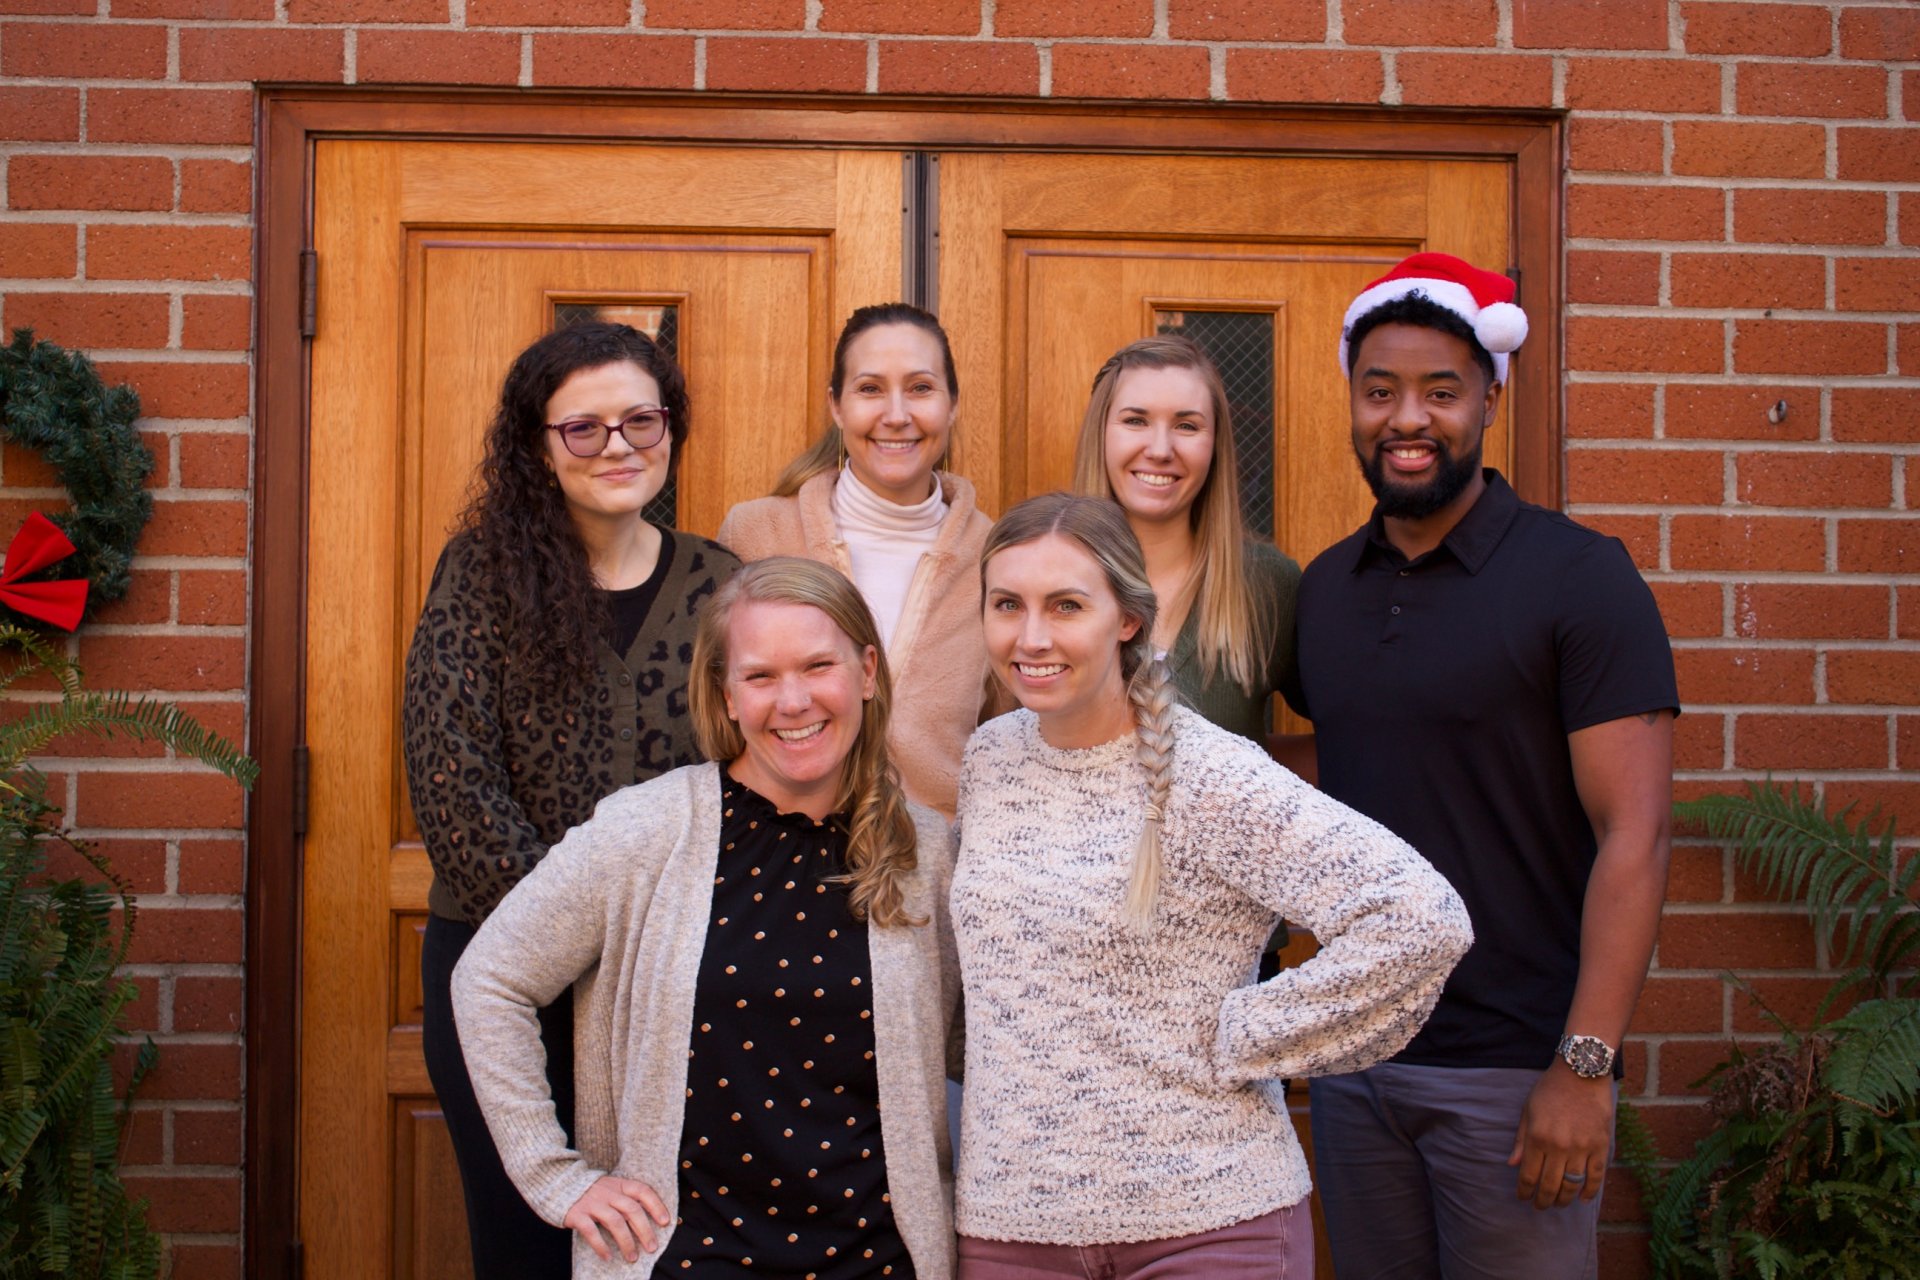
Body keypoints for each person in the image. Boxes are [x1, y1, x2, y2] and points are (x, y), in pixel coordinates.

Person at [949, 492, 1473, 1280]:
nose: (1031, 637)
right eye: (1006, 605)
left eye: (1066, 606)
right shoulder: (990, 759)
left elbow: (1420, 918)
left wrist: (1247, 1033)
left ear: (1128, 619)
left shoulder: (1211, 776)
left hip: (1208, 1222)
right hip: (1011, 1226)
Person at [1289, 253, 1678, 1279]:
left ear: (1491, 400)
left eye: (1440, 391)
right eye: (1380, 391)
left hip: (1515, 1073)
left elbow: (1635, 835)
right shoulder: (1326, 590)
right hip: (1358, 1059)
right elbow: (1315, 776)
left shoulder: (1579, 576)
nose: (1407, 418)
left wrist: (1583, 1067)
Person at [452, 557, 960, 1279]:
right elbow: (490, 979)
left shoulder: (928, 854)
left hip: (880, 1263)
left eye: (818, 666)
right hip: (684, 1261)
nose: (793, 701)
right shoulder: (645, 833)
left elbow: (987, 1048)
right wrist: (552, 1175)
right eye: (760, 676)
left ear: (868, 672)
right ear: (727, 696)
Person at [403, 321, 740, 1278]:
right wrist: (581, 939)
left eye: (641, 420)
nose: (618, 446)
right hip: (504, 978)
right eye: (583, 428)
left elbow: (750, 773)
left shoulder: (720, 584)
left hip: (674, 982)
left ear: (670, 428)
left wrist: (664, 948)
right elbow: (452, 779)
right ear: (538, 445)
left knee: (662, 1248)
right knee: (526, 1252)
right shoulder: (481, 574)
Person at [719, 302, 995, 818]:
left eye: (920, 388)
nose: (897, 414)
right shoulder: (756, 535)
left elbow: (1014, 731)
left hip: (934, 857)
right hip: (777, 851)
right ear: (837, 406)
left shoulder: (996, 557)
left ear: (952, 404)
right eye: (870, 389)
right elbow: (720, 711)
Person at [1069, 335, 1300, 754]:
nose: (1160, 450)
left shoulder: (1267, 584)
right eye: (1135, 421)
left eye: (1187, 426)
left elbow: (1350, 737)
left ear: (1215, 445)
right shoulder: (1045, 572)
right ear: (1100, 434)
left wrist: (1253, 776)